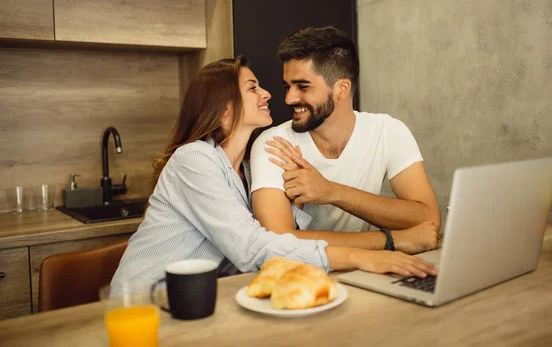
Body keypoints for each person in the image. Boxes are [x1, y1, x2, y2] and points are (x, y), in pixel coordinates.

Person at [111, 57, 437, 289]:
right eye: (253, 88)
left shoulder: (250, 171)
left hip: (207, 298)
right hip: (151, 299)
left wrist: (300, 201)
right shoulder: (194, 160)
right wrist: (366, 256)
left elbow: (279, 241)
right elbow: (253, 249)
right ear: (223, 108)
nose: (268, 94)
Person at [250, 26, 441, 253]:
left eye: (303, 86)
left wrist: (331, 192)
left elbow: (428, 220)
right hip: (307, 277)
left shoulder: (388, 131)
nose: (289, 98)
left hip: (374, 271)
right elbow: (279, 242)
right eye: (287, 86)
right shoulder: (275, 143)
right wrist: (391, 241)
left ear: (341, 88)